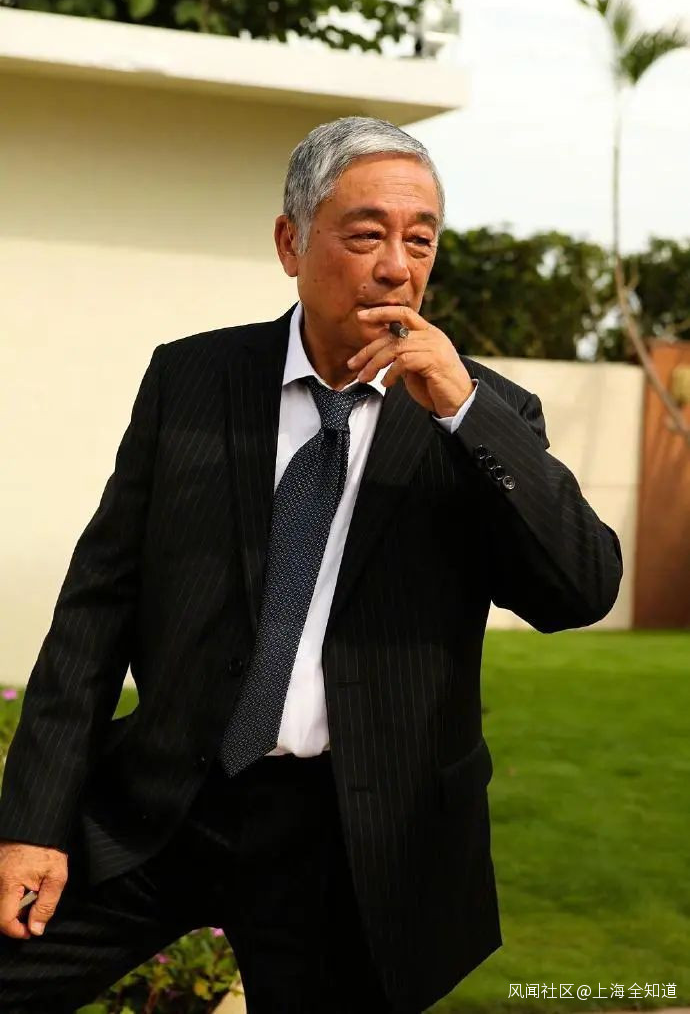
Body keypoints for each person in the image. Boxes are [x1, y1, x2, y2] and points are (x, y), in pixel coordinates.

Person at [0, 115, 623, 1014]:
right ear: (291, 242)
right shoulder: (192, 379)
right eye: (366, 234)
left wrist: (463, 409)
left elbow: (581, 589)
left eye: (420, 240)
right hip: (167, 799)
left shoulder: (480, 417)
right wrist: (31, 823)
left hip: (352, 837)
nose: (397, 266)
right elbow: (96, 612)